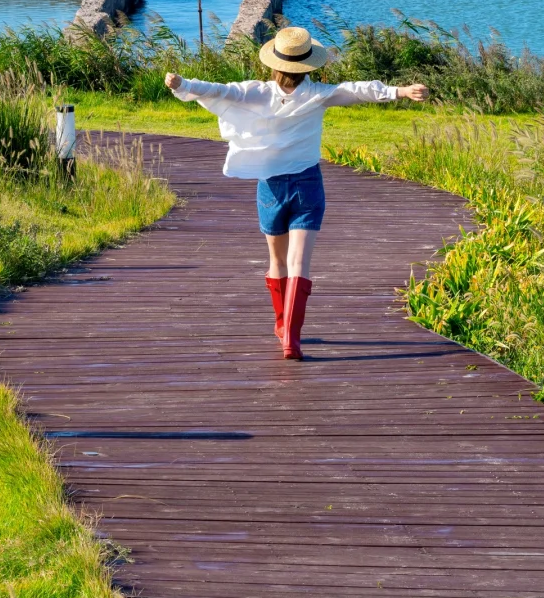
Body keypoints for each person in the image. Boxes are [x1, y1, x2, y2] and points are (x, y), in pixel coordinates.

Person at [164, 25, 428, 360]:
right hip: (307, 185)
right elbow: (358, 90)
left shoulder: (256, 92)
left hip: (271, 187)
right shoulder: (319, 95)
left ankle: (280, 326)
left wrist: (182, 85)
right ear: (309, 65)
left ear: (274, 64)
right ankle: (291, 337)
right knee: (299, 261)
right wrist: (401, 91)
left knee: (277, 260)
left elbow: (220, 91)